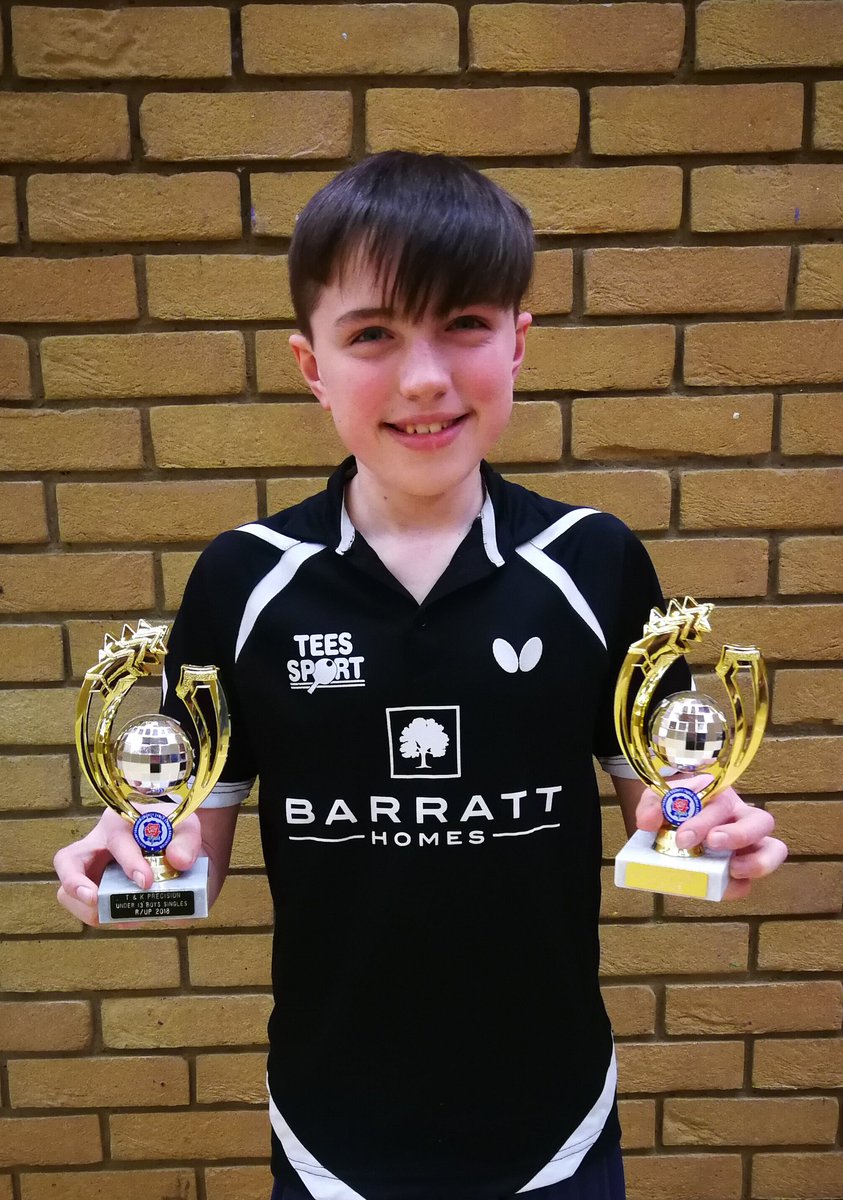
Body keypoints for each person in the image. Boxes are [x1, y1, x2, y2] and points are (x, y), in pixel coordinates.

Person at [55, 151, 787, 1200]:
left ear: (518, 341)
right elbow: (189, 855)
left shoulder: (594, 563)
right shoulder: (244, 581)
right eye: (373, 335)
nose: (424, 378)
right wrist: (127, 862)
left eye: (464, 324)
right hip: (333, 1136)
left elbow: (662, 805)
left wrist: (714, 830)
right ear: (310, 363)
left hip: (554, 1128)